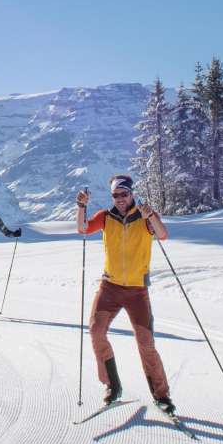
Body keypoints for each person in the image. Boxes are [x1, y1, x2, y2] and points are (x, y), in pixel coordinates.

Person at [76, 175, 174, 413]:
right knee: (96, 330)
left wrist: (151, 215)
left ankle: (161, 396)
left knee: (146, 343)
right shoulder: (106, 217)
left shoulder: (144, 216)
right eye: (115, 195)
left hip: (137, 291)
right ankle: (112, 386)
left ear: (131, 194)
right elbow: (83, 228)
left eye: (124, 194)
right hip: (110, 287)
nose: (120, 198)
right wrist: (81, 207)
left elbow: (162, 235)